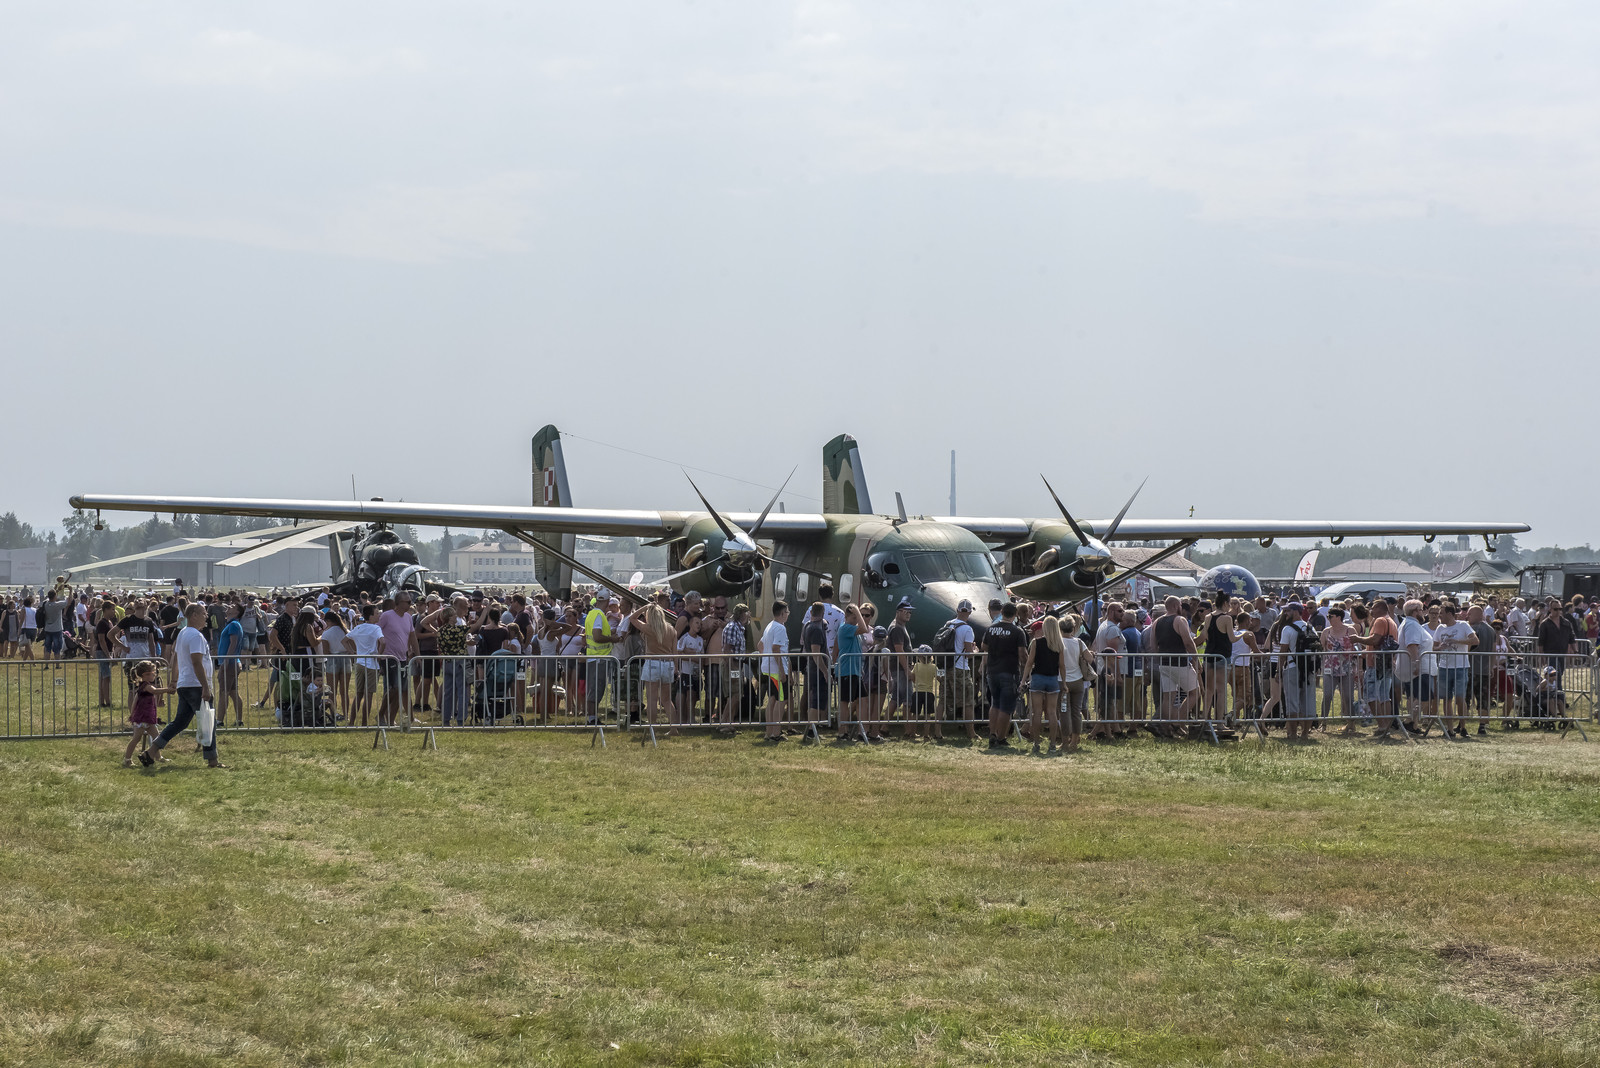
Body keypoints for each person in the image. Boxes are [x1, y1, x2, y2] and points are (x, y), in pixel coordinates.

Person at [139, 604, 223, 769]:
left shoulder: (183, 633)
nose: (206, 616)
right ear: (193, 615)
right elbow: (197, 662)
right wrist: (206, 687)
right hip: (196, 685)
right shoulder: (196, 636)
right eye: (203, 613)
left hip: (185, 684)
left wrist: (174, 680)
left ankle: (151, 752)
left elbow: (175, 658)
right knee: (208, 722)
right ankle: (212, 760)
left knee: (179, 723)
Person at [628, 594, 678, 736]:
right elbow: (675, 652)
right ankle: (674, 728)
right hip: (668, 664)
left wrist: (646, 607)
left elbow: (632, 618)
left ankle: (652, 728)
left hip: (652, 663)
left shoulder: (649, 628)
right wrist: (676, 668)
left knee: (652, 699)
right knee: (667, 700)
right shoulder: (671, 629)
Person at [982, 602, 1028, 748]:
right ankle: (1001, 737)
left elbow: (984, 646)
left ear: (1002, 612)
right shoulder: (1017, 631)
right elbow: (1022, 654)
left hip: (992, 671)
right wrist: (1027, 665)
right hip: (1009, 671)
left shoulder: (991, 629)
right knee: (1006, 707)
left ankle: (992, 734)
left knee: (995, 703)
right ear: (1015, 614)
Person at [1152, 597, 1201, 730]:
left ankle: (1165, 727)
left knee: (1168, 697)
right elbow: (1188, 642)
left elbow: (1153, 646)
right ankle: (1177, 721)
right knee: (1195, 693)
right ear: (1175, 606)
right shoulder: (1180, 620)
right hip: (1180, 663)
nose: (1181, 607)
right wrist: (1196, 660)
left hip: (1164, 663)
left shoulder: (1156, 622)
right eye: (1180, 605)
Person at [1433, 601, 1479, 738]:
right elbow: (1433, 647)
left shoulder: (1463, 625)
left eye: (1441, 613)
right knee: (1446, 698)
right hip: (1444, 667)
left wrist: (1457, 642)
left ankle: (1463, 727)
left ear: (1449, 614)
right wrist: (1439, 648)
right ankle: (1449, 729)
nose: (1439, 616)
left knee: (1460, 698)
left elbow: (1475, 640)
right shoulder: (1440, 628)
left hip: (1460, 667)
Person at [582, 592, 624, 725]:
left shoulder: (592, 613)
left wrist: (610, 634)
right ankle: (592, 718)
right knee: (596, 688)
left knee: (594, 688)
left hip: (594, 656)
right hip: (599, 657)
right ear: (607, 601)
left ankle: (592, 717)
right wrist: (613, 639)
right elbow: (597, 636)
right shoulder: (599, 615)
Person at [378, 593, 419, 727]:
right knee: (393, 688)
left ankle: (391, 720)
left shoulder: (408, 617)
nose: (410, 604)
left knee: (400, 690)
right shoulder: (387, 616)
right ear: (399, 603)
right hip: (389, 657)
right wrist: (378, 655)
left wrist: (417, 656)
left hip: (402, 658)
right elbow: (377, 632)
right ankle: (381, 715)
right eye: (408, 602)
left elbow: (412, 637)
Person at [1278, 603, 1317, 741]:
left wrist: (1278, 670)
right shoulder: (1310, 627)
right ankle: (1305, 733)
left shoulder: (1287, 629)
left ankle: (1293, 734)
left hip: (1292, 667)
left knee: (1292, 702)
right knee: (1308, 701)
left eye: (1287, 610)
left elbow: (1283, 652)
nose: (1285, 613)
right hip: (1308, 669)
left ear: (1296, 612)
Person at [344, 604, 386, 728]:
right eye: (377, 613)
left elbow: (344, 640)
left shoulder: (358, 627)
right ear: (371, 616)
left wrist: (352, 652)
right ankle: (364, 723)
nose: (378, 615)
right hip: (371, 664)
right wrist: (379, 655)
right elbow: (383, 642)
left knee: (358, 694)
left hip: (359, 663)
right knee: (368, 695)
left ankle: (351, 722)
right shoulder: (376, 628)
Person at [124, 660, 171, 767]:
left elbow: (135, 700)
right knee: (136, 738)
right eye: (152, 673)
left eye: (154, 673)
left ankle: (158, 756)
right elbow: (154, 691)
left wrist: (132, 713)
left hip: (149, 718)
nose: (154, 675)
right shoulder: (145, 686)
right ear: (144, 675)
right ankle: (127, 759)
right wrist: (168, 690)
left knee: (156, 737)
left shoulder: (143, 686)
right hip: (141, 718)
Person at [835, 603, 871, 742]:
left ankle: (862, 731)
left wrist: (857, 613)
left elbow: (863, 629)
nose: (857, 620)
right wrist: (856, 609)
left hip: (855, 671)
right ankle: (842, 732)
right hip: (846, 671)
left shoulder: (853, 629)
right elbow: (864, 628)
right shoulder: (845, 628)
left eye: (858, 617)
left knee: (863, 699)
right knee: (844, 702)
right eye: (854, 617)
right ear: (847, 616)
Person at [760, 601, 792, 741]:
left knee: (772, 699)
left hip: (768, 668)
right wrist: (781, 670)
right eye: (787, 612)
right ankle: (776, 733)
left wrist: (765, 659)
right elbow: (775, 648)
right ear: (782, 613)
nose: (788, 615)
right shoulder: (780, 628)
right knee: (781, 700)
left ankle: (769, 732)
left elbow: (760, 645)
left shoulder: (770, 625)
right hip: (775, 670)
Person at [949, 599, 979, 742]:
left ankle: (936, 731)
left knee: (943, 699)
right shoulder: (967, 629)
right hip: (961, 667)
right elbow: (969, 654)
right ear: (970, 612)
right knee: (969, 702)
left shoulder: (948, 624)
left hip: (948, 666)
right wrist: (975, 650)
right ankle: (971, 732)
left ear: (957, 610)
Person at [800, 602, 831, 736]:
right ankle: (811, 730)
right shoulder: (816, 629)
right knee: (816, 701)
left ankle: (813, 728)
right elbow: (816, 653)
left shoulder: (808, 625)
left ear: (811, 612)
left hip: (813, 668)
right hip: (817, 670)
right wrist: (825, 671)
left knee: (818, 699)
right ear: (823, 613)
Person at [1467, 604, 1497, 735]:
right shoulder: (1491, 630)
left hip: (1470, 669)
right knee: (1483, 699)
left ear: (1478, 615)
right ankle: (1482, 725)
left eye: (1470, 614)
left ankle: (1462, 724)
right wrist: (1491, 667)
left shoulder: (1472, 629)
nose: (1468, 616)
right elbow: (1494, 651)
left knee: (1465, 697)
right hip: (1484, 670)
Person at [215, 605, 246, 726]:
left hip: (230, 663)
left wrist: (226, 661)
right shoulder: (232, 624)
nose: (229, 607)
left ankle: (219, 721)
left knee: (223, 692)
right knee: (233, 693)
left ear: (237, 612)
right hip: (232, 662)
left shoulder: (234, 625)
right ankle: (239, 720)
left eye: (232, 606)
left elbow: (233, 644)